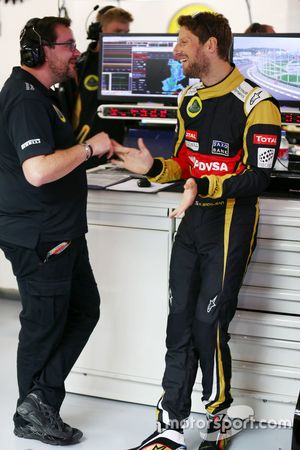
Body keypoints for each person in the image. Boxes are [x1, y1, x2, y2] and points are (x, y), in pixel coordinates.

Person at [111, 11, 282, 450]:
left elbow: (258, 180)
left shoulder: (257, 104)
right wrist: (152, 168)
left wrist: (199, 184)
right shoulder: (188, 97)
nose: (175, 50)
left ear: (210, 45)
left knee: (209, 323)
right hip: (192, 220)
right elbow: (183, 167)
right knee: (179, 321)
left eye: (183, 41)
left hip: (230, 222)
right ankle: (171, 421)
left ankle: (218, 416)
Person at [0, 16, 112, 445]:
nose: (76, 52)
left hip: (58, 231)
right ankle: (33, 413)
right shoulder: (27, 100)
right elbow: (38, 170)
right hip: (43, 236)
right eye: (68, 45)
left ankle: (38, 401)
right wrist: (88, 148)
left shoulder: (41, 95)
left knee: (83, 309)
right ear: (43, 50)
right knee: (43, 325)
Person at [57, 6, 133, 152]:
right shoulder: (78, 66)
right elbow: (63, 113)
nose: (123, 37)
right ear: (100, 31)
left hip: (117, 149)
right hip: (83, 151)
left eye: (126, 32)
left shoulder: (133, 65)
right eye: (117, 32)